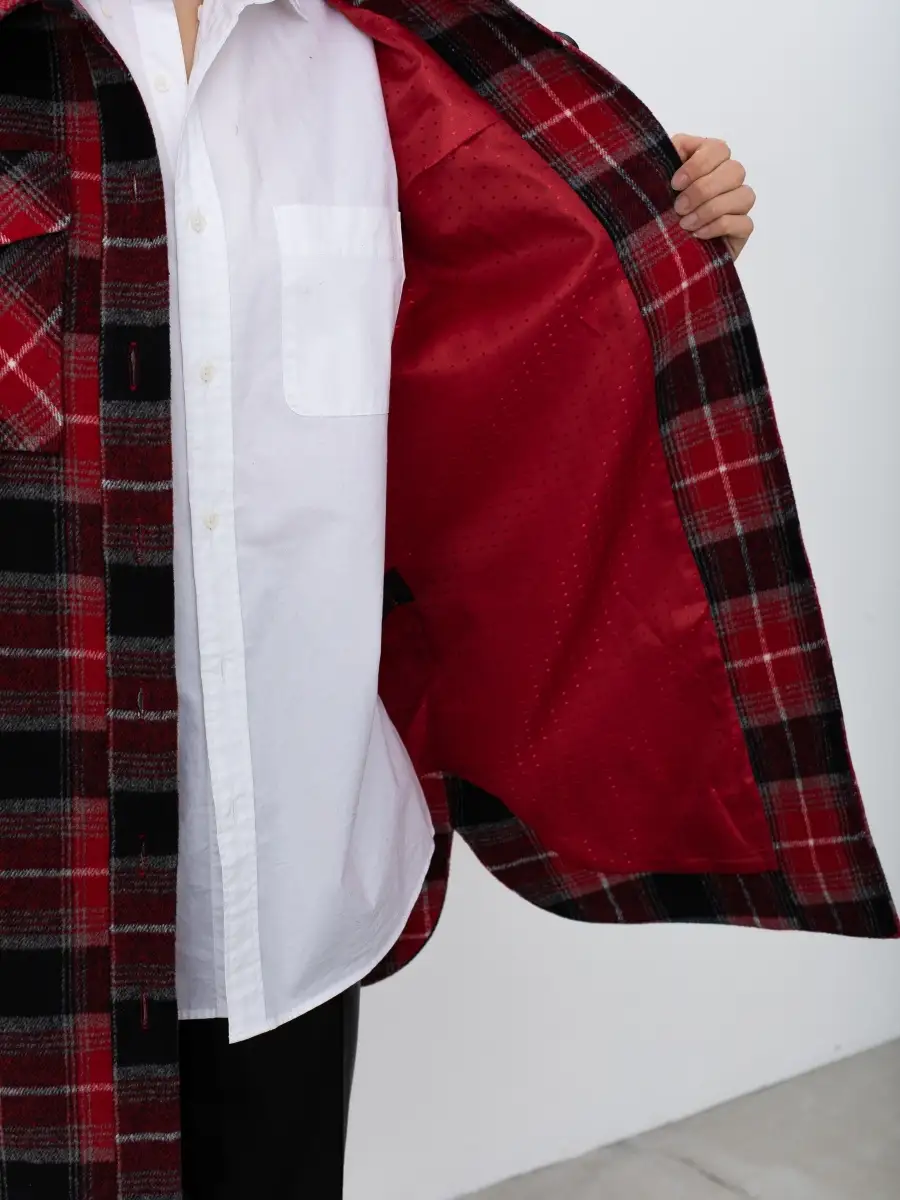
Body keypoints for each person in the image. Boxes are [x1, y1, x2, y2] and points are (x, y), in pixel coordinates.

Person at [0, 1, 895, 1198]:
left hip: (298, 881)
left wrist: (647, 238)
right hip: (48, 877)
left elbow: (512, 348)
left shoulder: (385, 67)